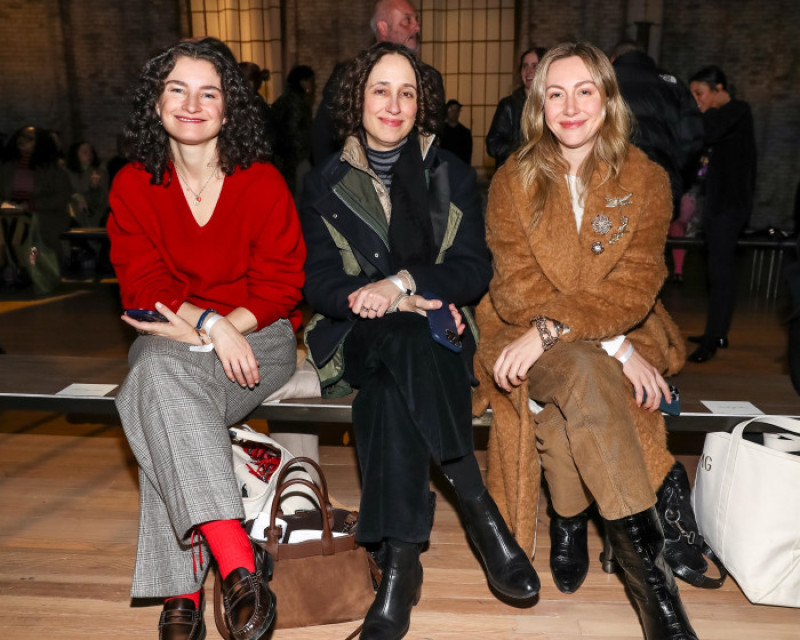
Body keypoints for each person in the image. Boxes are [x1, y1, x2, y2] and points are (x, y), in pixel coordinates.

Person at [300, 42, 539, 640]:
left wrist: (403, 283)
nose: (394, 104)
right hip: (356, 333)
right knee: (399, 333)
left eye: (406, 92)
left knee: (388, 396)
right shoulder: (325, 181)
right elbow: (320, 281)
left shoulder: (448, 172)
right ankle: (478, 507)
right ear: (357, 100)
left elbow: (473, 269)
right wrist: (379, 298)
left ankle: (400, 571)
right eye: (380, 89)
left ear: (420, 104)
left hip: (437, 331)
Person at [473, 42, 698, 639]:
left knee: (582, 389)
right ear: (538, 104)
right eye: (556, 93)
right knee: (587, 372)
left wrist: (605, 340)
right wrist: (602, 344)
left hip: (603, 333)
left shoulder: (645, 179)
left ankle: (573, 520)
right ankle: (658, 594)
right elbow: (517, 290)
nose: (570, 107)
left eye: (584, 91)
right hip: (521, 334)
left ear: (608, 99)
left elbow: (636, 286)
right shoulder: (512, 181)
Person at [106, 37, 306, 640]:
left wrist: (227, 327)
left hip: (259, 336)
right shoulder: (132, 185)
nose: (192, 104)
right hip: (173, 333)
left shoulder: (261, 182)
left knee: (152, 389)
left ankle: (184, 592)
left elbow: (281, 285)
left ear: (228, 108)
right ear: (156, 102)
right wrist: (208, 325)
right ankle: (238, 565)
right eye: (177, 89)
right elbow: (142, 285)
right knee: (161, 381)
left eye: (208, 93)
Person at [610, 41, 704, 284]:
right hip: (659, 186)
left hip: (611, 184)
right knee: (646, 259)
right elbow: (693, 140)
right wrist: (678, 180)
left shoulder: (601, 82)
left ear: (613, 60)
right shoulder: (673, 84)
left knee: (608, 257)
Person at [687, 65, 756, 362]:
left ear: (719, 89)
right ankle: (716, 332)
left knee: (721, 272)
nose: (696, 100)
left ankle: (714, 337)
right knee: (716, 271)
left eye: (700, 93)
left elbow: (708, 131)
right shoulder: (721, 116)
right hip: (719, 206)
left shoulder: (738, 110)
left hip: (730, 206)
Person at [310, 0, 429, 166]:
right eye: (407, 20)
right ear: (383, 28)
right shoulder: (349, 74)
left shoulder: (429, 77)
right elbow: (323, 134)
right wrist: (331, 177)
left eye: (407, 94)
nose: (416, 27)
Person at [0, 125, 71, 289]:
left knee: (20, 227)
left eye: (29, 138)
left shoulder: (54, 169)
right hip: (10, 212)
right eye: (21, 136)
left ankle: (26, 267)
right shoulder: (7, 167)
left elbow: (60, 198)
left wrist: (30, 205)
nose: (22, 140)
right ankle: (8, 266)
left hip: (44, 214)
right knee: (4, 226)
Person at [486, 46, 546, 168]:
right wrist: (525, 149)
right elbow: (492, 145)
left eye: (535, 66)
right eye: (525, 66)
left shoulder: (554, 103)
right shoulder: (508, 105)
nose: (529, 71)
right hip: (514, 172)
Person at [271, 64, 315, 196]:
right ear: (302, 82)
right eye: (310, 80)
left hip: (287, 156)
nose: (313, 85)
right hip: (292, 158)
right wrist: (302, 155)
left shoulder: (289, 97)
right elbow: (293, 130)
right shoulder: (296, 101)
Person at [66, 140, 110, 228]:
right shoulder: (67, 173)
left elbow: (102, 199)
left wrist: (94, 187)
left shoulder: (100, 173)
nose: (89, 154)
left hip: (93, 216)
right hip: (72, 217)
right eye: (85, 152)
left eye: (90, 152)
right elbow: (64, 192)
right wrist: (77, 197)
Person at [439, 98, 472, 165]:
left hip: (460, 167)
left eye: (457, 110)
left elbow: (467, 156)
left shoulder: (465, 133)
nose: (454, 113)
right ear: (446, 111)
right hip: (443, 166)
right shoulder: (440, 132)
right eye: (451, 110)